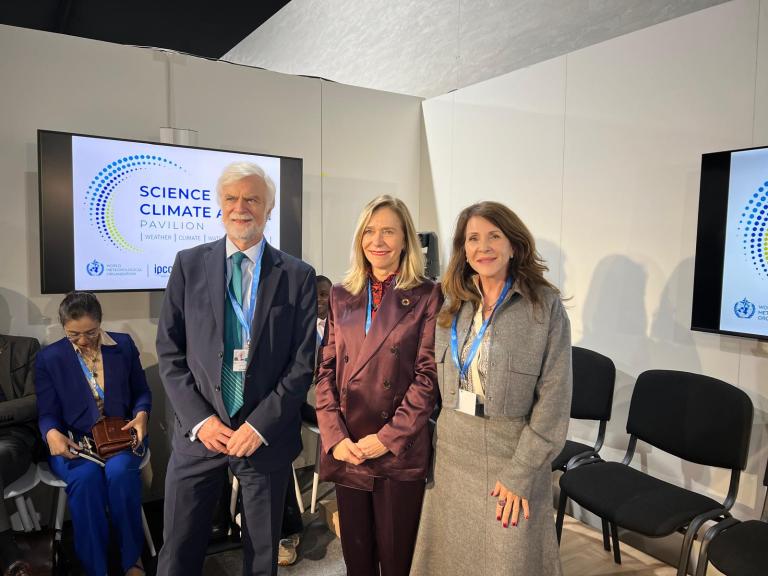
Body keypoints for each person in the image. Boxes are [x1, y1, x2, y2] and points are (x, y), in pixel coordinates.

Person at [156, 161, 317, 576]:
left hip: (263, 436)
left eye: (252, 199)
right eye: (232, 198)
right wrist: (201, 421)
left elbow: (302, 364)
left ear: (269, 209)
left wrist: (260, 425)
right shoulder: (188, 265)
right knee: (177, 551)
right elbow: (169, 352)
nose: (241, 207)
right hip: (201, 434)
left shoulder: (297, 276)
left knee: (263, 557)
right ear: (219, 205)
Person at [411, 201, 572, 576]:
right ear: (463, 250)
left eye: (493, 236)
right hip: (452, 452)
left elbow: (554, 401)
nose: (483, 247)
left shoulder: (544, 307)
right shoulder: (452, 302)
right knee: (450, 560)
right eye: (473, 239)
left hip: (512, 455)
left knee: (508, 560)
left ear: (514, 244)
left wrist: (521, 473)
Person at [315, 195, 441, 576]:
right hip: (349, 446)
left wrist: (386, 438)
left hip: (396, 449)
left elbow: (427, 376)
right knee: (357, 558)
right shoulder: (341, 294)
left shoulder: (427, 295)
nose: (378, 240)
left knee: (396, 558)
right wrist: (336, 439)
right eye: (370, 231)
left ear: (405, 239)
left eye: (388, 231)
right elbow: (325, 372)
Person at [35, 292, 151, 576]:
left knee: (121, 474)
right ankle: (95, 568)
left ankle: (131, 560)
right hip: (75, 440)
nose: (84, 341)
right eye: (74, 335)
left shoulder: (121, 346)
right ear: (63, 327)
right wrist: (51, 433)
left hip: (119, 434)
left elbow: (141, 391)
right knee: (86, 480)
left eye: (91, 332)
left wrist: (142, 414)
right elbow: (47, 411)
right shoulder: (50, 358)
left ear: (101, 323)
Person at [277, 274, 331, 567]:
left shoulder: (341, 326)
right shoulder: (295, 330)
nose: (322, 302)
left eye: (326, 295)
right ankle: (284, 529)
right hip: (294, 406)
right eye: (317, 296)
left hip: (328, 405)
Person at [0, 334, 41, 576]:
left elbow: (35, 402)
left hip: (13, 438)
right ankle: (10, 556)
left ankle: (9, 554)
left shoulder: (25, 347)